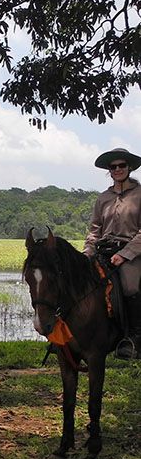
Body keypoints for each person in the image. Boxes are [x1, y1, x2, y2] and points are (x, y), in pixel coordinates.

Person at [83, 147, 141, 359]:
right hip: (104, 249)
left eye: (121, 166)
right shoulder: (103, 198)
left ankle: (134, 338)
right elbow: (95, 229)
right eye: (113, 167)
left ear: (129, 168)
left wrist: (125, 254)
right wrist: (87, 252)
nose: (117, 169)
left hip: (132, 251)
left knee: (129, 286)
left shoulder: (140, 194)